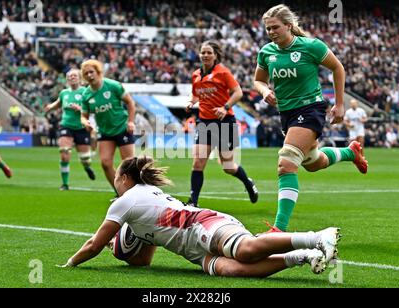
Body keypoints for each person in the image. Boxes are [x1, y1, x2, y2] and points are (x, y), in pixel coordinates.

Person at [58, 155, 341, 279]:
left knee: (245, 251)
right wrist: (124, 245)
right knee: (233, 271)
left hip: (201, 224)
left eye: (117, 178)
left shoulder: (125, 200)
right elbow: (143, 261)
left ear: (123, 178)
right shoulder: (139, 200)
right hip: (191, 249)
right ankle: (303, 256)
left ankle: (318, 237)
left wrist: (70, 263)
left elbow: (93, 245)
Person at [253, 5, 368, 232]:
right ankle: (350, 152)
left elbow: (337, 68)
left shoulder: (311, 46)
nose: (271, 32)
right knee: (314, 162)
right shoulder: (267, 52)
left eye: (275, 27)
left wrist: (339, 104)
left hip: (310, 110)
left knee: (286, 163)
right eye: (268, 29)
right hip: (286, 113)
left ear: (288, 25)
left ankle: (279, 229)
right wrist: (265, 92)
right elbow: (258, 80)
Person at [186, 40, 258, 207]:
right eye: (203, 52)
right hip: (204, 122)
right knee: (198, 162)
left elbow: (238, 92)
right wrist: (191, 102)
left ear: (216, 55)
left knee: (227, 166)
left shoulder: (223, 72)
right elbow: (197, 95)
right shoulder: (196, 75)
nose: (205, 55)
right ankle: (193, 202)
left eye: (209, 52)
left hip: (224, 122)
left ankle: (248, 182)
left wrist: (225, 107)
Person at [80, 59, 136, 191]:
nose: (89, 75)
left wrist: (131, 121)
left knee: (129, 164)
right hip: (105, 132)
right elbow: (83, 116)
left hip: (122, 128)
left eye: (91, 72)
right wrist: (85, 123)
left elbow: (130, 103)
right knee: (105, 163)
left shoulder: (113, 85)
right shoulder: (86, 95)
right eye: (86, 73)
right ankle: (120, 193)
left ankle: (135, 192)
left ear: (98, 72)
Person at [44, 69, 96, 191]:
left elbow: (93, 107)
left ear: (79, 78)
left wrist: (80, 109)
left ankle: (87, 167)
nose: (72, 77)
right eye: (69, 76)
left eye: (74, 75)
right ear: (67, 79)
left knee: (85, 159)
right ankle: (65, 184)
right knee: (64, 154)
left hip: (82, 127)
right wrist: (50, 107)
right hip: (66, 126)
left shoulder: (85, 91)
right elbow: (58, 103)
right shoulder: (64, 93)